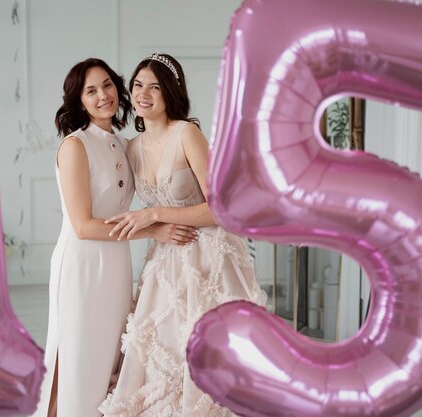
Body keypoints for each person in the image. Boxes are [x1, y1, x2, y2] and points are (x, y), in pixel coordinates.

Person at [98, 53, 268, 416]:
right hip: (164, 260)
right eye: (139, 85)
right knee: (163, 349)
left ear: (170, 92)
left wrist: (155, 213)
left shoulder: (187, 133)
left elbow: (220, 208)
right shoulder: (131, 148)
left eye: (155, 86)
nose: (144, 94)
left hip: (207, 256)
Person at [32, 58, 197, 417]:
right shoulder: (75, 146)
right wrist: (155, 228)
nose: (103, 95)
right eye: (91, 91)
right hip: (82, 265)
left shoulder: (124, 145)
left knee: (107, 359)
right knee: (73, 356)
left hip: (117, 264)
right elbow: (84, 225)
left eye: (107, 85)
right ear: (79, 101)